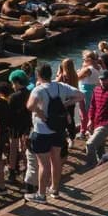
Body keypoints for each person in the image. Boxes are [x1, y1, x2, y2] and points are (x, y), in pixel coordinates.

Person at [26, 63, 85, 201]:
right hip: (58, 130)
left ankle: (41, 194)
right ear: (50, 74)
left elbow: (30, 106)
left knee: (43, 164)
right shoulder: (60, 86)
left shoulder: (38, 90)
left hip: (42, 131)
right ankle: (54, 189)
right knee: (56, 160)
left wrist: (39, 112)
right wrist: (65, 104)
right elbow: (81, 95)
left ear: (38, 75)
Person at [1, 71, 32, 185]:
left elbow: (8, 113)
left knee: (13, 149)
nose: (12, 86)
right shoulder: (29, 93)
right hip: (27, 123)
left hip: (15, 126)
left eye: (13, 83)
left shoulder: (13, 97)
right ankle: (27, 172)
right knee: (25, 149)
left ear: (17, 82)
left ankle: (12, 173)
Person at [76, 51, 100, 131]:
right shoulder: (98, 67)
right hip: (93, 91)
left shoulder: (88, 70)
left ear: (89, 59)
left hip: (85, 93)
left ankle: (86, 130)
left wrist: (79, 71)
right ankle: (92, 128)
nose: (83, 61)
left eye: (84, 59)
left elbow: (76, 78)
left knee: (84, 113)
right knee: (92, 111)